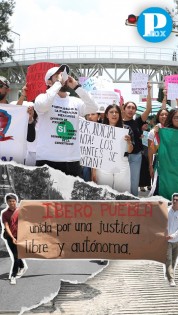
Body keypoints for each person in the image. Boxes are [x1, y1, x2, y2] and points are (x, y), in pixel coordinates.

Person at [34, 64, 98, 177]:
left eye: (64, 74)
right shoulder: (41, 98)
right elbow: (43, 105)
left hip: (72, 160)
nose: (63, 77)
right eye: (58, 75)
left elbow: (93, 108)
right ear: (49, 82)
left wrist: (77, 87)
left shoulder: (75, 101)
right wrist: (58, 84)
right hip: (48, 159)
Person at [92, 104, 134, 193]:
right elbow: (95, 151)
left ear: (119, 115)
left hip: (122, 164)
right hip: (104, 164)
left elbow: (130, 150)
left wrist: (129, 142)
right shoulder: (100, 129)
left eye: (116, 112)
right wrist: (94, 171)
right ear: (107, 115)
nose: (114, 114)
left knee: (123, 192)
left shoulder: (126, 129)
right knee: (104, 192)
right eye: (111, 112)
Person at [123, 83, 152, 196]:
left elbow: (148, 109)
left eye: (133, 108)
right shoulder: (117, 122)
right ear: (124, 109)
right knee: (123, 182)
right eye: (128, 107)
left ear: (135, 111)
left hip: (136, 157)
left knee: (134, 181)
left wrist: (148, 91)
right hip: (122, 157)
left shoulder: (137, 122)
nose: (131, 109)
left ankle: (133, 202)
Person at [1, 194, 27, 285]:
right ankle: (22, 266)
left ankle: (13, 276)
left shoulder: (21, 211)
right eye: (10, 201)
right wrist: (12, 237)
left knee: (16, 256)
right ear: (7, 202)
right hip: (9, 236)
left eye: (13, 201)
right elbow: (6, 226)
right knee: (15, 254)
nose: (12, 203)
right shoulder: (5, 214)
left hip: (20, 236)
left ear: (16, 201)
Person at [166, 193, 178, 287]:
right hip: (167, 241)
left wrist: (173, 235)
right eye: (174, 199)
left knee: (174, 260)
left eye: (177, 200)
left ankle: (170, 273)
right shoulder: (167, 210)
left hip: (176, 240)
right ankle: (171, 279)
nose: (175, 201)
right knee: (169, 259)